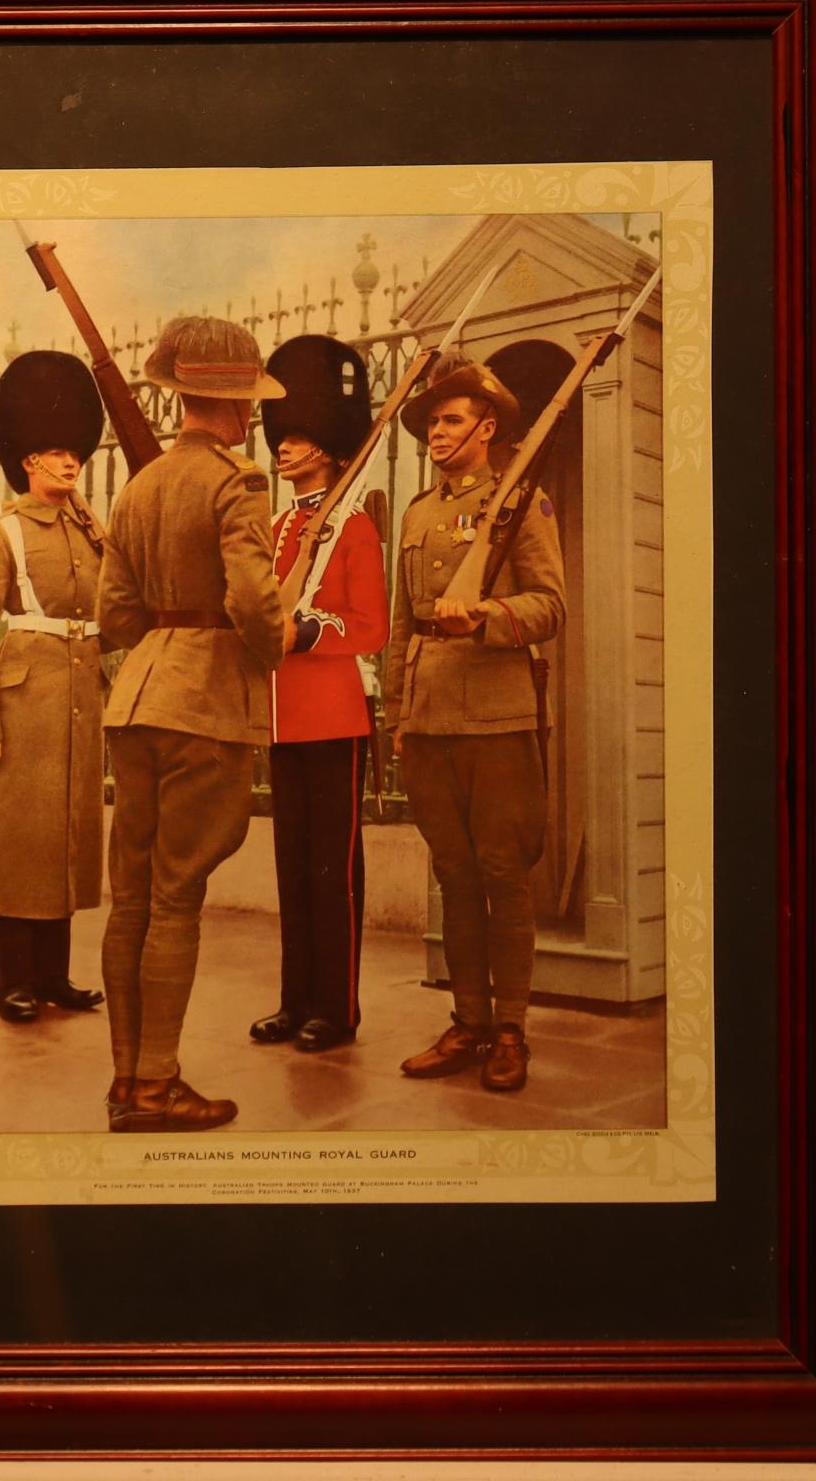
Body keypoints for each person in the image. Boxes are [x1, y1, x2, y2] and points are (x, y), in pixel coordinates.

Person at [98, 315, 290, 1133]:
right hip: (203, 703)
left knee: (131, 899)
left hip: (137, 697)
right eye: (248, 400)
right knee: (176, 898)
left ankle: (125, 1079)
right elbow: (253, 601)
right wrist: (275, 645)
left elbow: (114, 614)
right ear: (235, 403)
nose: (252, 414)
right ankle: (155, 1085)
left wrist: (161, 651)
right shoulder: (239, 482)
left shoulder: (137, 486)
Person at [384, 353, 566, 1091]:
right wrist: (397, 712)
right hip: (430, 721)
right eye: (430, 422)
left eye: (451, 419)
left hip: (497, 718)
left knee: (501, 875)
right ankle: (467, 1023)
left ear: (486, 427)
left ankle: (512, 1030)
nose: (437, 432)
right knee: (453, 877)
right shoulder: (417, 514)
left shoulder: (524, 503)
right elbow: (402, 625)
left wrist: (486, 615)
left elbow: (551, 605)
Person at [0, 349, 109, 1023]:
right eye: (51, 451)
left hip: (78, 699)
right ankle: (13, 980)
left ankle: (54, 976)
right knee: (18, 844)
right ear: (25, 460)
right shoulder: (2, 534)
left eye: (73, 450)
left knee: (66, 838)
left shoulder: (93, 531)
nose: (68, 462)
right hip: (21, 702)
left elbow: (111, 614)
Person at [248, 335, 389, 1053]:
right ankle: (294, 998)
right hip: (280, 717)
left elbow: (371, 627)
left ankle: (335, 1009)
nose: (285, 447)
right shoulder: (276, 528)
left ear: (331, 449)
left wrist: (305, 631)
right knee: (292, 870)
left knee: (331, 874)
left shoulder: (353, 528)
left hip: (332, 715)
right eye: (282, 435)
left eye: (300, 436)